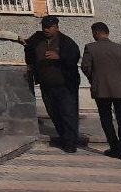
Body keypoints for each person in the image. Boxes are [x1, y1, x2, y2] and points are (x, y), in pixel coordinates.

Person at [80, 22, 121, 161]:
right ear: (107, 33)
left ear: (96, 33)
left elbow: (85, 67)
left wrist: (94, 79)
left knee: (106, 119)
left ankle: (114, 147)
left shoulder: (90, 48)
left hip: (102, 89)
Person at [25, 15, 82, 153]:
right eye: (44, 27)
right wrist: (31, 65)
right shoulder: (37, 39)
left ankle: (70, 143)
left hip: (65, 84)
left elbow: (74, 58)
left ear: (56, 27)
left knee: (68, 112)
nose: (46, 29)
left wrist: (60, 57)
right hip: (46, 83)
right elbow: (28, 48)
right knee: (53, 112)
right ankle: (64, 137)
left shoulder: (66, 42)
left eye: (49, 27)